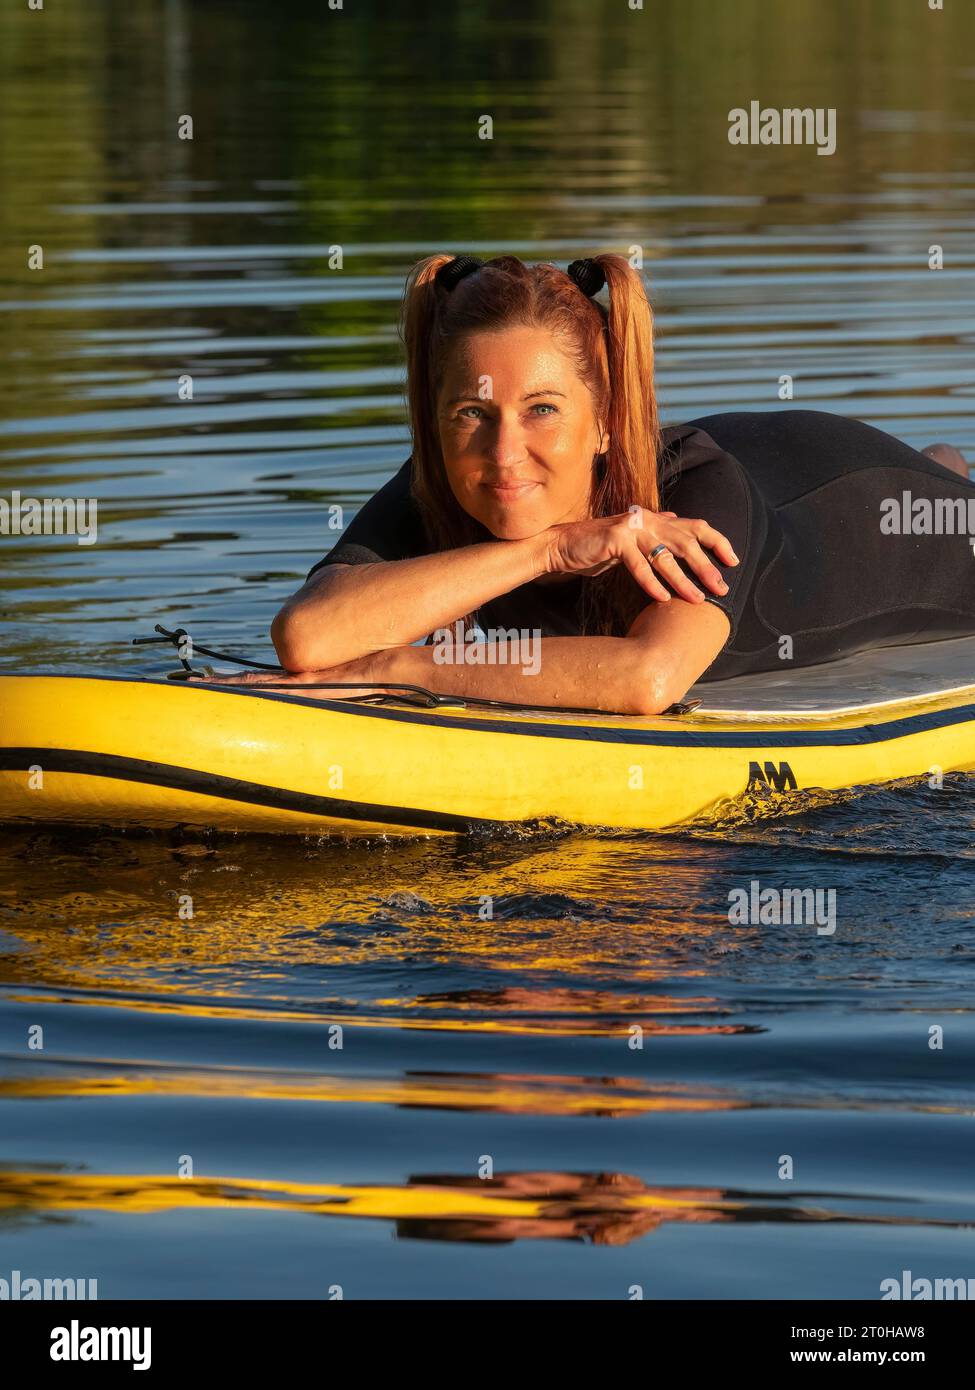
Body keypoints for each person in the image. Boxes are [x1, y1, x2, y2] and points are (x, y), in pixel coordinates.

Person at [255, 253, 974, 715]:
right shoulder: (447, 479)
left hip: (856, 504)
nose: (503, 452)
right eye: (471, 413)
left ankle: (941, 475)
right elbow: (308, 638)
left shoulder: (690, 500)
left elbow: (646, 678)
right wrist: (548, 549)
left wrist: (397, 666)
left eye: (542, 410)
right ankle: (942, 462)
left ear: (605, 422)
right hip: (775, 459)